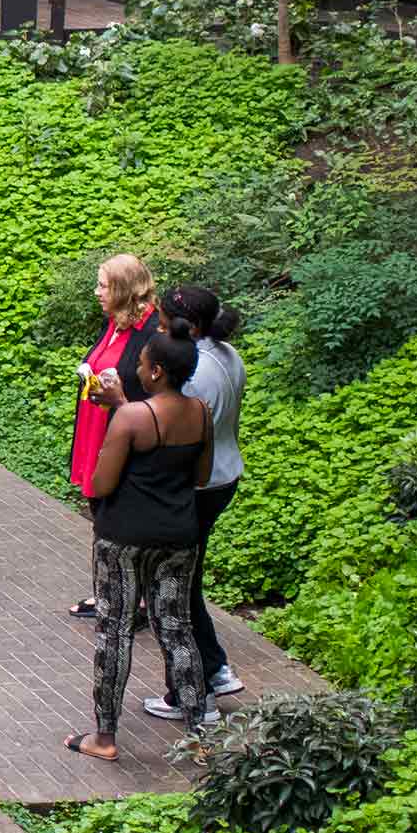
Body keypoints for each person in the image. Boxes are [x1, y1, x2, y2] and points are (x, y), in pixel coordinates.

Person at [66, 322, 214, 762]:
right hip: (178, 536)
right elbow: (202, 476)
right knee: (177, 629)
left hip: (124, 537)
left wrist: (117, 413)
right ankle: (199, 737)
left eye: (145, 364)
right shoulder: (200, 412)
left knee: (114, 631)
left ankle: (105, 737)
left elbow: (101, 482)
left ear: (156, 372)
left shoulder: (132, 416)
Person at [167, 286, 250, 703]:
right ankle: (213, 668)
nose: (160, 325)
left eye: (165, 318)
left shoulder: (196, 373)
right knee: (188, 575)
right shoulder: (228, 355)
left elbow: (176, 431)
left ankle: (210, 672)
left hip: (200, 483)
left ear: (190, 325)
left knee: (179, 581)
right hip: (224, 475)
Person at [66, 253, 159, 621]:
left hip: (121, 435)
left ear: (122, 289)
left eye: (103, 285)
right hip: (96, 430)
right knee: (102, 514)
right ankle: (108, 592)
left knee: (120, 518)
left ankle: (130, 602)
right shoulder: (116, 324)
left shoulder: (150, 333)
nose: (97, 292)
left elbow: (152, 393)